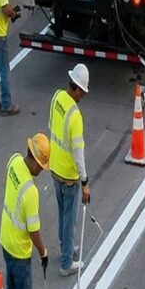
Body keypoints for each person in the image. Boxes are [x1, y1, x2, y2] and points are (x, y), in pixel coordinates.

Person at [0, 133, 50, 289]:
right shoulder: (31, 192)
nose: (41, 170)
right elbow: (34, 231)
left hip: (5, 241)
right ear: (35, 161)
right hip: (20, 251)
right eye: (41, 165)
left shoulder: (13, 161)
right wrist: (43, 252)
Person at [49, 63, 91, 277]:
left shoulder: (57, 98)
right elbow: (78, 153)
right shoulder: (75, 116)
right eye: (82, 91)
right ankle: (66, 263)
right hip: (69, 176)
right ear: (76, 87)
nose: (83, 95)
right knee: (69, 219)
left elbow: (50, 127)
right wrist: (84, 182)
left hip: (54, 169)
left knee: (61, 214)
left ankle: (65, 247)